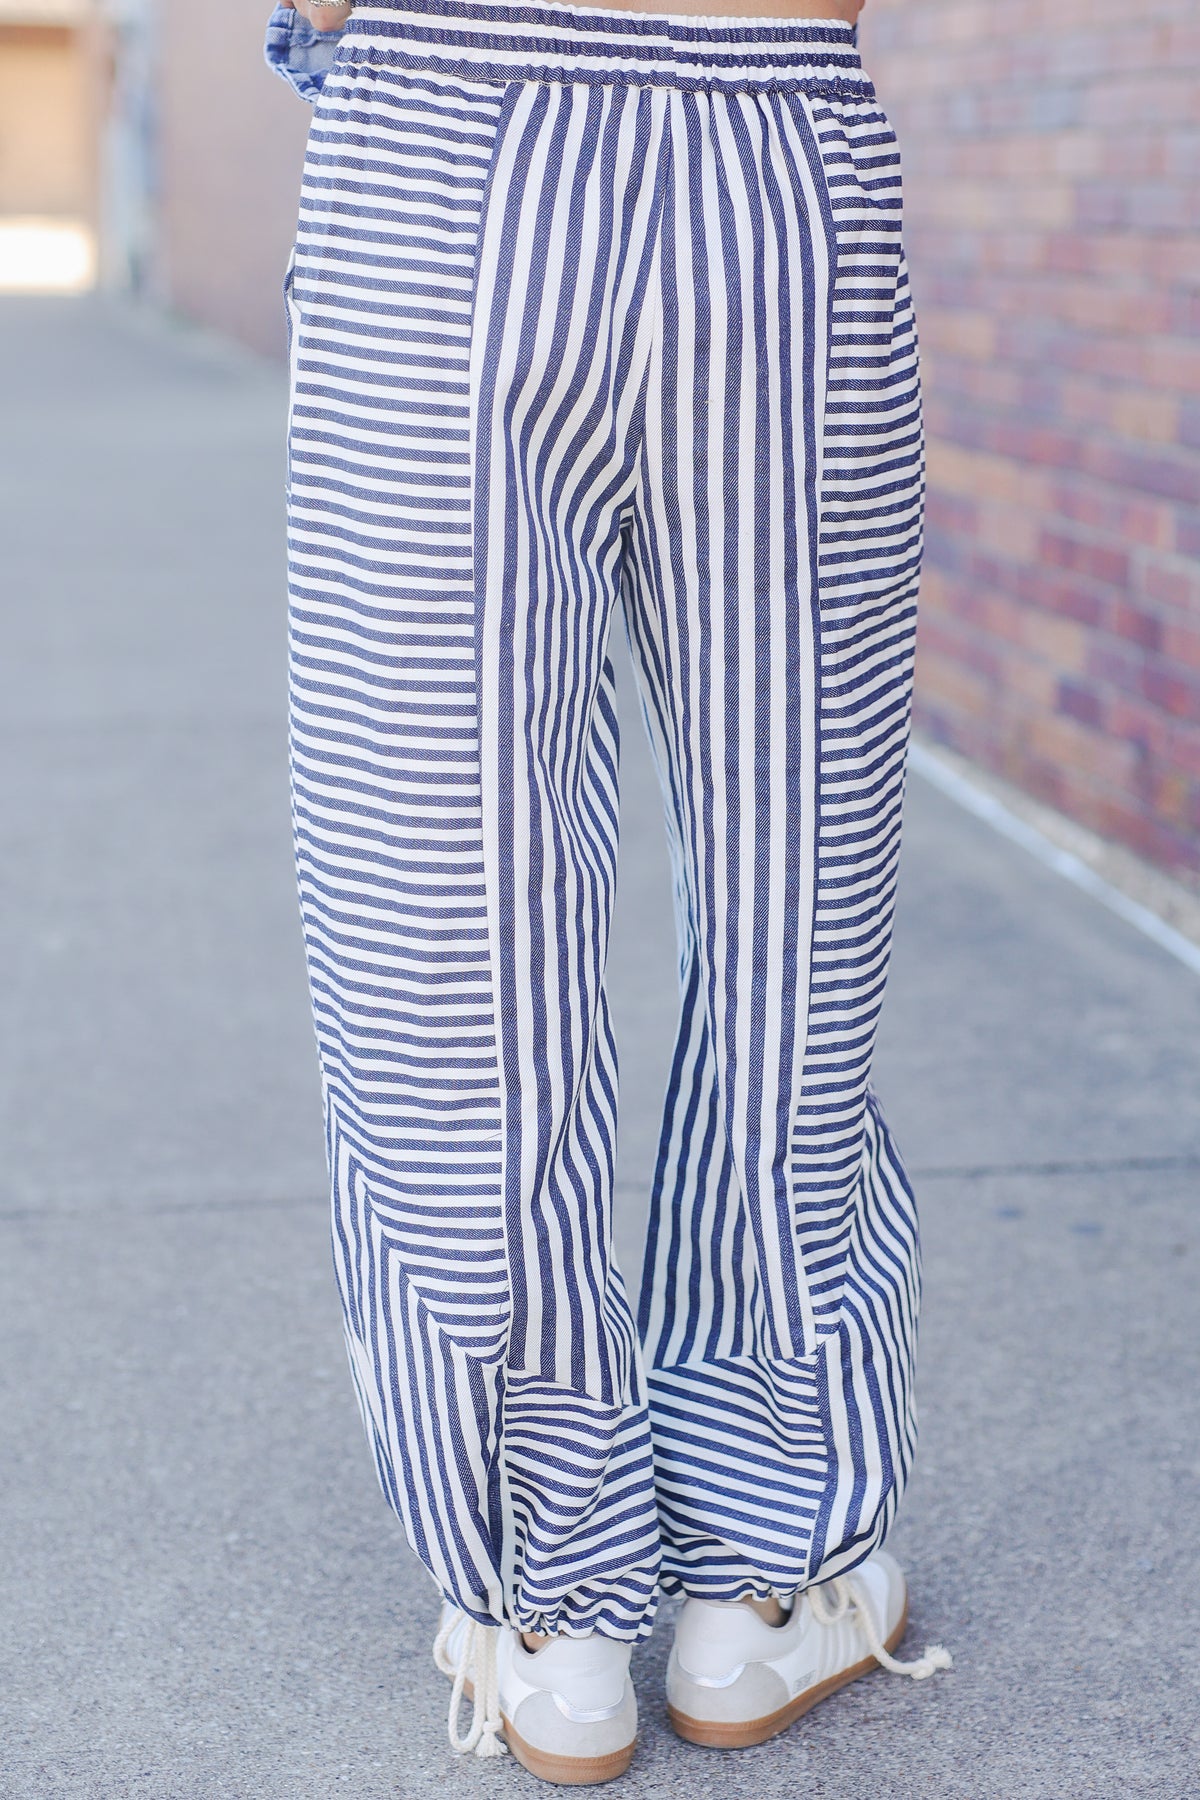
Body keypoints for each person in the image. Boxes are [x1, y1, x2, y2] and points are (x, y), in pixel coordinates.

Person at [265, 0, 951, 1781]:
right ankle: (764, 1577)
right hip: (777, 155)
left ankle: (546, 1610)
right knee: (798, 894)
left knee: (445, 915)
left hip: (442, 155)